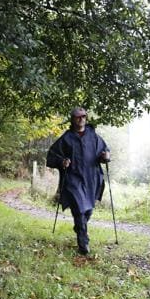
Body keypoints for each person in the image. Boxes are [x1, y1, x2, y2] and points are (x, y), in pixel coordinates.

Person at [46, 107, 110, 255]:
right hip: (73, 180)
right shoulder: (66, 138)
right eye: (77, 117)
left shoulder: (94, 137)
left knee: (87, 211)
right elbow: (51, 156)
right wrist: (62, 161)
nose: (81, 119)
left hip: (91, 179)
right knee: (80, 209)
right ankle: (83, 243)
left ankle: (79, 227)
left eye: (83, 116)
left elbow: (104, 153)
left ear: (86, 118)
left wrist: (105, 157)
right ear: (73, 119)